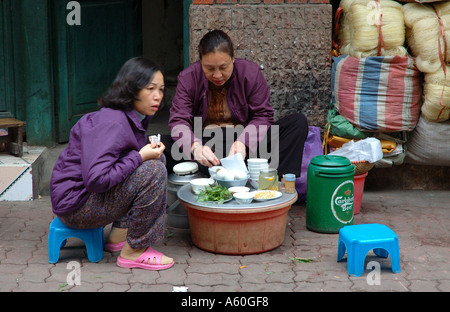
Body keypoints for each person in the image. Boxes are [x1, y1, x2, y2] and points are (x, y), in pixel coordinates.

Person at [50, 57, 174, 271]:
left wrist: (144, 154)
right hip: (76, 208)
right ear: (131, 89)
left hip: (82, 200)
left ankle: (119, 234)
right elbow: (97, 180)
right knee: (153, 170)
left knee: (156, 159)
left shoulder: (132, 116)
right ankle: (134, 251)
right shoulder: (113, 122)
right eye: (150, 88)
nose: (158, 96)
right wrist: (140, 157)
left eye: (161, 89)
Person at [163, 29, 309, 179]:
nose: (217, 75)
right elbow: (179, 120)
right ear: (200, 62)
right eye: (210, 69)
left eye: (223, 67)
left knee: (297, 123)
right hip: (206, 149)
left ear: (233, 57)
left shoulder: (250, 73)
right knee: (158, 144)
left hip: (244, 148)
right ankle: (211, 174)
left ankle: (272, 183)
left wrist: (243, 142)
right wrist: (195, 146)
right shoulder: (189, 77)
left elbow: (263, 115)